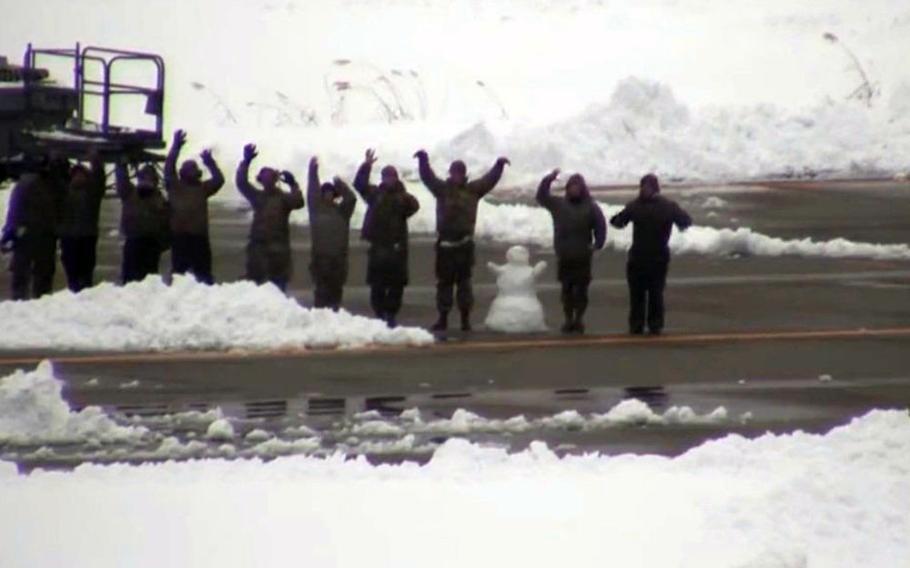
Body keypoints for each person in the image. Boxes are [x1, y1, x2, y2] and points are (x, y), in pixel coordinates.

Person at [414, 150, 510, 332]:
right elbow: (428, 177)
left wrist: (498, 165)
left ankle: (465, 320)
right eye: (454, 172)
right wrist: (423, 160)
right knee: (444, 285)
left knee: (464, 284)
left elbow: (489, 180)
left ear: (464, 174)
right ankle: (442, 318)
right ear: (450, 173)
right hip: (445, 246)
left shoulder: (473, 190)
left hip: (464, 246)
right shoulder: (442, 189)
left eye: (460, 172)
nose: (457, 176)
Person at [610, 173, 692, 336]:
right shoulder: (666, 206)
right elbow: (685, 221)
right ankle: (648, 324)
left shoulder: (638, 206)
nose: (644, 190)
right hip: (650, 256)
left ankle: (643, 324)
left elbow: (617, 222)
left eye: (646, 187)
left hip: (647, 256)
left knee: (646, 294)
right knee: (647, 293)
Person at [353, 148, 419, 328]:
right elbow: (359, 184)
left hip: (397, 249)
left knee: (396, 286)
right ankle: (380, 313)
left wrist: (400, 194)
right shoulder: (375, 195)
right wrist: (366, 166)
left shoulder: (403, 198)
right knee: (377, 285)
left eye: (392, 177)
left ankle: (390, 314)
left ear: (396, 178)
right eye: (386, 177)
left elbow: (415, 206)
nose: (389, 180)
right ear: (382, 179)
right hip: (378, 248)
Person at [536, 169, 606, 334]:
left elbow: (600, 226)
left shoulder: (591, 207)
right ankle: (568, 319)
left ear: (582, 189)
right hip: (565, 256)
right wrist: (548, 180)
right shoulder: (559, 205)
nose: (574, 190)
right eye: (571, 187)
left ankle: (578, 319)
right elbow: (541, 197)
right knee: (566, 290)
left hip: (582, 256)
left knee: (581, 291)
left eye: (577, 187)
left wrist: (598, 244)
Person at [235, 143, 305, 291]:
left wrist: (294, 185)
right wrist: (246, 161)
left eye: (270, 178)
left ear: (275, 180)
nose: (267, 182)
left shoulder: (283, 199)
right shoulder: (257, 196)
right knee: (256, 286)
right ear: (260, 180)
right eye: (264, 178)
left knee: (277, 287)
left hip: (278, 250)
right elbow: (241, 183)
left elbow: (299, 202)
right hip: (258, 250)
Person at [1, 155, 69, 300]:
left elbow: (14, 211)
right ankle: (39, 304)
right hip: (44, 235)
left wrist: (9, 232)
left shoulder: (26, 184)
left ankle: (21, 304)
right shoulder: (57, 186)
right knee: (42, 277)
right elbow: (62, 211)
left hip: (27, 234)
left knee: (23, 275)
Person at [163, 129, 224, 284]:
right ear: (182, 173)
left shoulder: (202, 188)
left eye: (194, 169)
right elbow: (169, 167)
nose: (193, 172)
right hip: (180, 238)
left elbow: (219, 180)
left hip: (199, 238)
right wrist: (176, 146)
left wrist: (210, 162)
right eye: (189, 170)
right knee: (179, 275)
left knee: (203, 274)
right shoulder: (175, 186)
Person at [307, 156, 356, 310]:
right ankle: (320, 318)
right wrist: (313, 171)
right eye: (325, 192)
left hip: (338, 260)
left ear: (335, 195)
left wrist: (339, 184)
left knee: (336, 293)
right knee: (321, 292)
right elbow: (312, 191)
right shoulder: (316, 209)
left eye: (331, 193)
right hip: (320, 258)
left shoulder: (342, 212)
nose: (328, 195)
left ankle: (334, 317)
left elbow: (351, 199)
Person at [115, 161, 171, 283]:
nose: (147, 181)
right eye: (144, 177)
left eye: (150, 178)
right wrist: (121, 163)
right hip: (133, 241)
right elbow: (121, 180)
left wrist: (163, 243)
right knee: (130, 278)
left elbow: (166, 223)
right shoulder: (129, 192)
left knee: (148, 279)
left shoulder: (160, 199)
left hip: (151, 244)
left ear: (155, 181)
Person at [58, 152, 106, 292]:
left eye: (82, 175)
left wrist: (96, 162)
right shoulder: (64, 193)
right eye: (76, 175)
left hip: (86, 237)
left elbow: (99, 180)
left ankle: (84, 296)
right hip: (69, 238)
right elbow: (56, 179)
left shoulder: (91, 193)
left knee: (86, 275)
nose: (79, 177)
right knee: (72, 275)